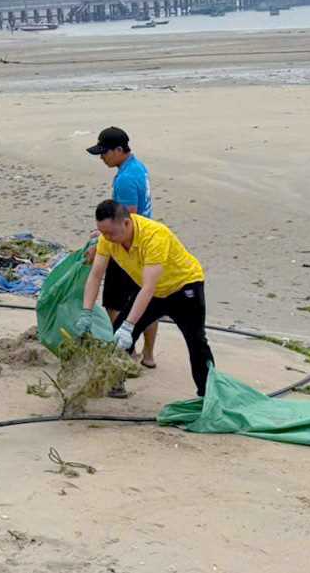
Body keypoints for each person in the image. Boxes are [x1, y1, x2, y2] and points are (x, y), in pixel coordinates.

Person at [77, 200, 214, 397]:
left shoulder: (155, 236)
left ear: (126, 223)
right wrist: (86, 312)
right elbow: (96, 275)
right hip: (153, 291)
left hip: (183, 287)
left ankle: (208, 393)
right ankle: (115, 383)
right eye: (103, 233)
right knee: (118, 334)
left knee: (196, 340)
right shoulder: (107, 239)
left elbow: (148, 287)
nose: (106, 238)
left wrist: (129, 325)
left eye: (110, 233)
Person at [86, 125, 159, 391]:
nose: (101, 158)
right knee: (147, 301)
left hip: (128, 246)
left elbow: (127, 219)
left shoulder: (126, 179)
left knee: (115, 303)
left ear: (119, 150)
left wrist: (102, 241)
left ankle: (127, 353)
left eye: (104, 152)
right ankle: (148, 355)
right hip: (144, 243)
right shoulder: (138, 168)